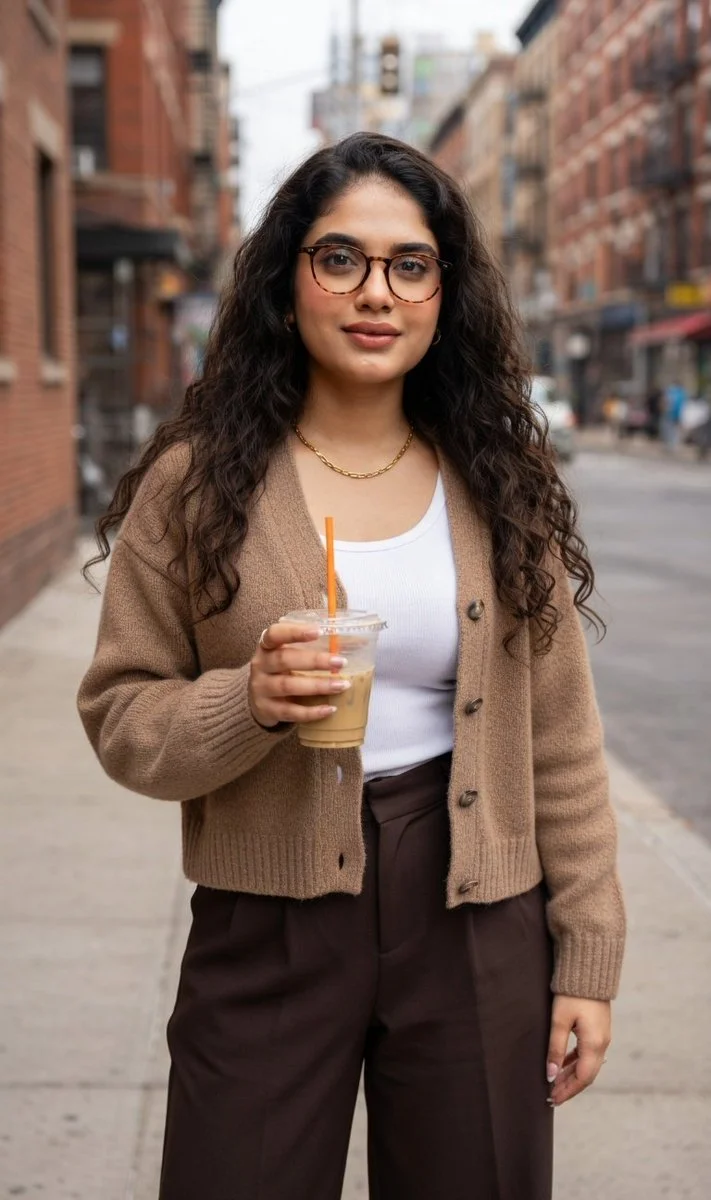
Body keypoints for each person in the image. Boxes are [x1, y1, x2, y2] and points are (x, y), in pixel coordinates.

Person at [77, 133, 626, 1200]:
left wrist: (587, 958)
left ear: (442, 294)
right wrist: (249, 702)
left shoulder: (497, 482)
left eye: (409, 264)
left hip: (475, 912)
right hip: (268, 916)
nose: (377, 292)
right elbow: (121, 716)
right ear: (288, 283)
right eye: (341, 258)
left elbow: (561, 739)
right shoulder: (197, 488)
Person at [662, 378, 687, 451]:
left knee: (668, 430)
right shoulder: (681, 393)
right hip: (676, 415)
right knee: (674, 431)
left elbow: (666, 402)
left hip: (670, 414)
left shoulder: (670, 391)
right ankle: (673, 446)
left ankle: (669, 446)